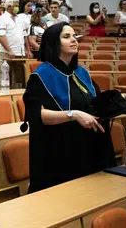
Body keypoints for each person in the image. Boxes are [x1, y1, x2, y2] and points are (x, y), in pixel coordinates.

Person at [23, 22, 115, 192]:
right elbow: (37, 115)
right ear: (53, 43)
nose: (74, 40)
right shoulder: (40, 76)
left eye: (74, 36)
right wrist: (73, 114)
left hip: (90, 147)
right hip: (61, 151)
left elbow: (95, 103)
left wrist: (117, 102)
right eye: (66, 37)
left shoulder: (81, 72)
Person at [0, 0, 29, 89]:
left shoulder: (20, 18)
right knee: (5, 79)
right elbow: (1, 36)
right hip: (7, 53)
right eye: (16, 5)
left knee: (18, 80)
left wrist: (27, 49)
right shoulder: (2, 18)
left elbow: (24, 34)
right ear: (9, 6)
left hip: (20, 53)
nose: (18, 7)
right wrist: (9, 50)